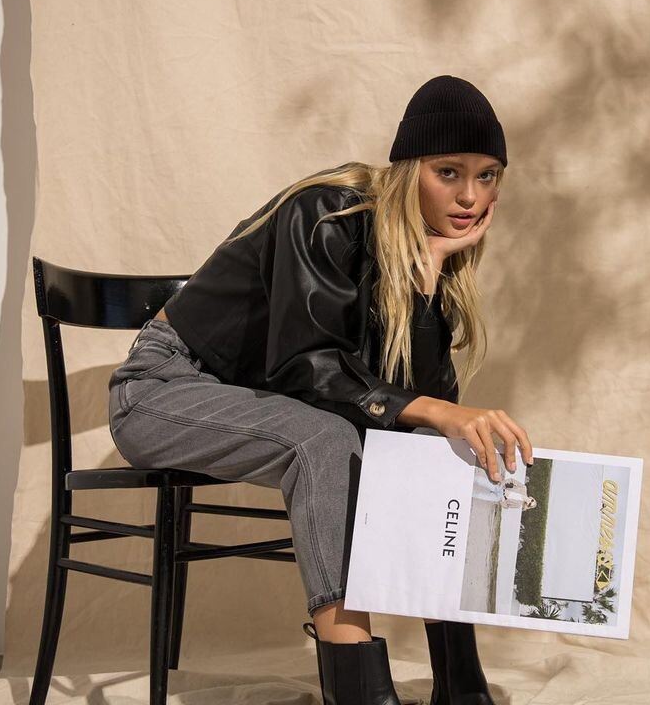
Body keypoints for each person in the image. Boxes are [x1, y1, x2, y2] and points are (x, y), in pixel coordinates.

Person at [106, 75, 532, 705]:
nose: (470, 196)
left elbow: (409, 405)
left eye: (487, 175)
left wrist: (428, 281)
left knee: (439, 450)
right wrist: (437, 408)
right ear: (409, 169)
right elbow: (305, 369)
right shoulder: (326, 213)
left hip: (261, 406)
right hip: (164, 390)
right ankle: (356, 689)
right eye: (448, 172)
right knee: (326, 440)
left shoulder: (428, 250)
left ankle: (461, 687)